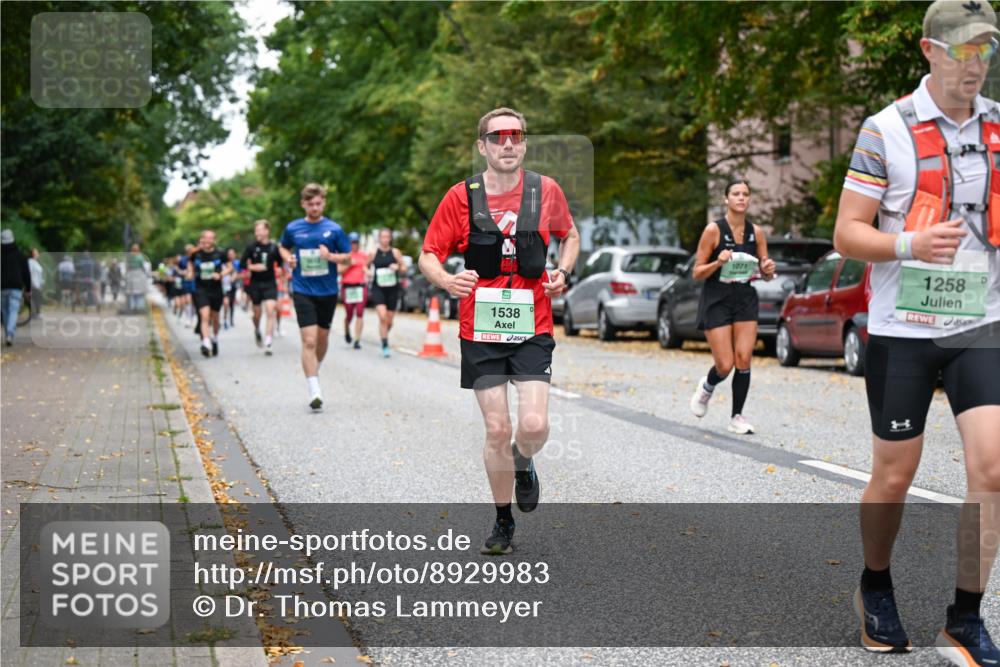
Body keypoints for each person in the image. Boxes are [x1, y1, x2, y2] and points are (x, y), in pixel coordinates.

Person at [834, 1, 1000, 663]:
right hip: (902, 328)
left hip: (980, 322)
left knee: (992, 466)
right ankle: (875, 584)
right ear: (930, 51)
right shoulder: (886, 130)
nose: (976, 64)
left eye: (984, 49)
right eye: (963, 50)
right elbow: (848, 232)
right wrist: (909, 241)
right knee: (895, 475)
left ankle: (965, 614)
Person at [419, 107, 580, 555]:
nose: (507, 143)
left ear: (524, 143)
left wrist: (563, 272)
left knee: (531, 425)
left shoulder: (545, 191)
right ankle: (503, 520)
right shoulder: (461, 196)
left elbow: (570, 236)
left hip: (533, 322)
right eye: (498, 137)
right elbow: (428, 254)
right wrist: (448, 281)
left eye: (515, 135)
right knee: (496, 428)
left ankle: (524, 459)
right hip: (480, 326)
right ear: (483, 146)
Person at [688, 179, 776, 434]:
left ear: (749, 200)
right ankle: (707, 387)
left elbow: (765, 270)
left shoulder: (756, 232)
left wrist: (768, 270)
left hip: (745, 298)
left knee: (744, 358)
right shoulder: (714, 230)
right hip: (717, 299)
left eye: (745, 194)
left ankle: (737, 416)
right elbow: (697, 273)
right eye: (735, 194)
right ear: (726, 199)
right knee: (725, 365)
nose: (741, 198)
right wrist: (717, 262)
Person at [279, 183, 352, 410]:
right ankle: (314, 388)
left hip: (328, 291)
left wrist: (330, 256)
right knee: (309, 340)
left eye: (318, 203)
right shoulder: (293, 228)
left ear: (323, 203)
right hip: (302, 289)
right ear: (303, 204)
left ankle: (315, 369)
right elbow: (283, 247)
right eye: (310, 204)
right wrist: (288, 259)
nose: (314, 207)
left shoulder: (334, 229)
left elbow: (348, 258)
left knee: (322, 338)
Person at [186, 231, 229, 357]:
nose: (207, 240)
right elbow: (190, 264)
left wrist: (221, 274)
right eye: (204, 238)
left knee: (215, 318)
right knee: (204, 315)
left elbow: (230, 267)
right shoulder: (195, 254)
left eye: (210, 238)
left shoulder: (220, 253)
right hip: (201, 289)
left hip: (216, 290)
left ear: (214, 240)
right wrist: (190, 272)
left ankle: (214, 339)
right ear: (201, 239)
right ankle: (205, 342)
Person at [241, 220, 282, 355]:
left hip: (270, 283)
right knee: (257, 313)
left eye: (259, 230)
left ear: (266, 231)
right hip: (255, 284)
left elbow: (280, 263)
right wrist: (253, 267)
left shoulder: (274, 248)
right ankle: (257, 329)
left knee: (271, 310)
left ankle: (268, 341)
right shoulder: (251, 247)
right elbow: (242, 264)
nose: (257, 233)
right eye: (256, 230)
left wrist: (281, 270)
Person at [368, 228, 406, 358]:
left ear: (390, 238)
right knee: (382, 317)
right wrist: (367, 272)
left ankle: (383, 332)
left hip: (392, 289)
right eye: (382, 237)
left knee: (389, 321)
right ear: (379, 238)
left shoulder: (395, 252)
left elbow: (404, 268)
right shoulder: (373, 252)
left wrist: (398, 267)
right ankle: (385, 345)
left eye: (387, 237)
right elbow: (364, 266)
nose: (385, 239)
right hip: (378, 288)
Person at [1, 229, 31, 346]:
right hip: (16, 287)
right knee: (14, 310)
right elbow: (26, 273)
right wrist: (28, 289)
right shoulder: (20, 255)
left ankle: (8, 333)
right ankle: (10, 333)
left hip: (2, 287)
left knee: (5, 311)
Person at [341, 231, 369, 350]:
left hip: (360, 287)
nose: (354, 245)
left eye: (356, 242)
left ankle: (357, 339)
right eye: (352, 242)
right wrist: (349, 264)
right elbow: (339, 270)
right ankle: (347, 331)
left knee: (360, 313)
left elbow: (366, 267)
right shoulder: (345, 255)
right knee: (349, 315)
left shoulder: (364, 255)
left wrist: (368, 273)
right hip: (347, 287)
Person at [125, 244, 148, 313]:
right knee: (140, 292)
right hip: (139, 274)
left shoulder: (129, 256)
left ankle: (133, 307)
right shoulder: (141, 256)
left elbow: (127, 266)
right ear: (138, 249)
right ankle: (139, 307)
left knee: (132, 292)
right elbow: (143, 266)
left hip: (131, 274)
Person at [28, 248, 45, 316]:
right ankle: (36, 313)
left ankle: (36, 312)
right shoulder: (30, 262)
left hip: (37, 284)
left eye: (37, 252)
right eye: (36, 253)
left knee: (37, 299)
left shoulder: (36, 262)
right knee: (35, 299)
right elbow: (30, 273)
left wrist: (41, 282)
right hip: (33, 284)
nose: (37, 254)